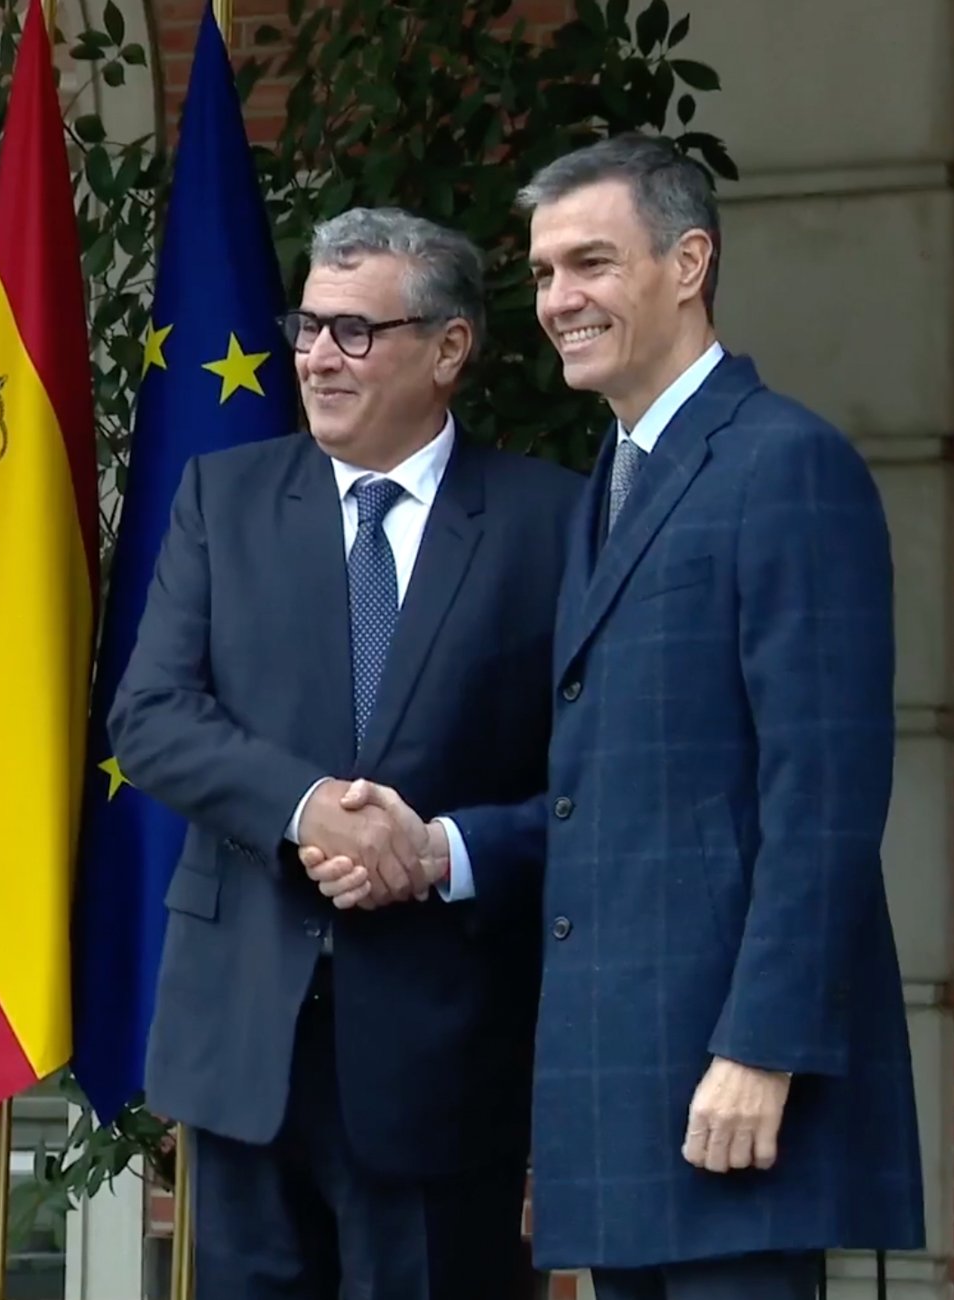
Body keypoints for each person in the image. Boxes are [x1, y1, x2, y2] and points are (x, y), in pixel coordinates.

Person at [305, 133, 924, 1297]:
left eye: (589, 263)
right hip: (626, 1090)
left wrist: (759, 1046)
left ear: (688, 262)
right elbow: (619, 793)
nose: (557, 301)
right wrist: (448, 849)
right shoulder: (614, 480)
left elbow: (824, 796)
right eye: (541, 273)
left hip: (732, 1084)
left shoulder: (783, 462)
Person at [105, 205, 583, 1300]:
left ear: (448, 348)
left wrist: (439, 849)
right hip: (241, 1045)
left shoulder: (549, 524)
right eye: (308, 324)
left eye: (355, 331)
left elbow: (588, 786)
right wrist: (307, 805)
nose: (317, 355)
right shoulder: (221, 501)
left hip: (442, 1053)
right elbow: (151, 716)